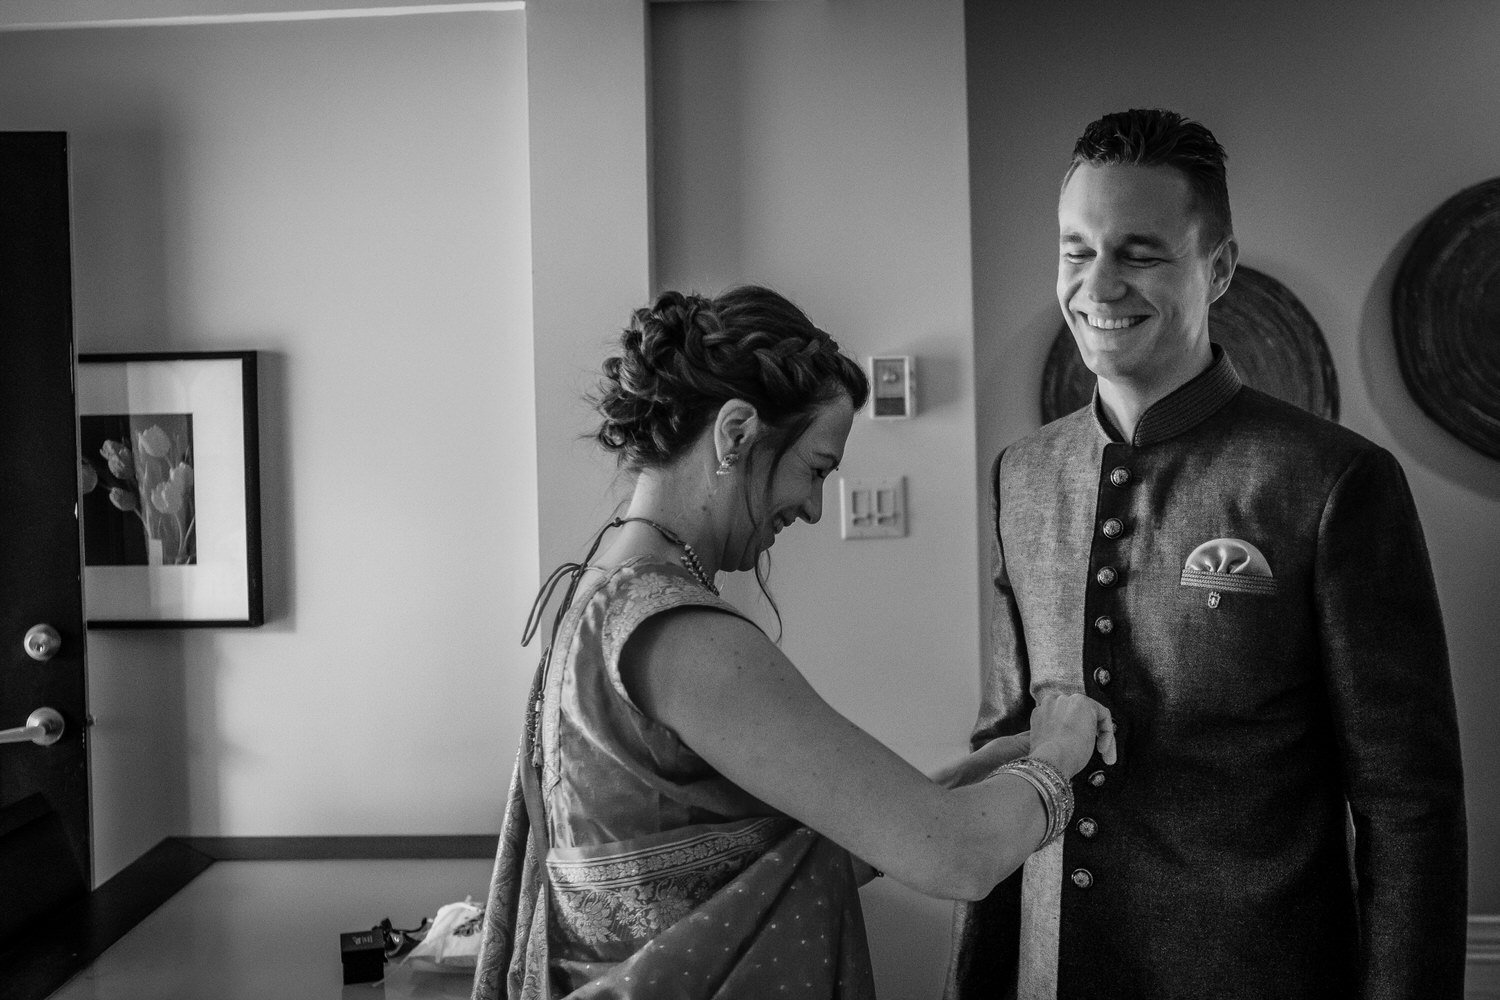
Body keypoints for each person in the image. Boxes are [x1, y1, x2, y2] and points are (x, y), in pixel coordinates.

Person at [948, 109, 1468, 1000]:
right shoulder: (1022, 476)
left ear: (1217, 269)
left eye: (1138, 252)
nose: (1098, 285)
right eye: (1077, 251)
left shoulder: (1332, 480)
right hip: (1051, 971)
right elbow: (1009, 746)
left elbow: (1408, 806)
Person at [471, 285, 1117, 999]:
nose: (812, 507)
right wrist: (1060, 747)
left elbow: (758, 859)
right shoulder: (679, 632)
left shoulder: (596, 592)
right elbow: (957, 857)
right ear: (736, 433)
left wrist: (975, 779)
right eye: (816, 469)